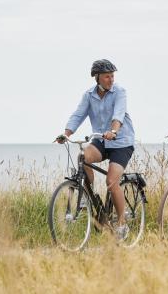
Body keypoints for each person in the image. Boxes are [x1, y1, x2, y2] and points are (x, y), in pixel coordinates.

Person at [57, 59, 136, 239]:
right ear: (97, 78)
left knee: (111, 182)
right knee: (82, 157)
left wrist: (114, 130)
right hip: (101, 139)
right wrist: (66, 134)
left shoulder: (120, 92)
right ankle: (86, 195)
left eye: (112, 76)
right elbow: (78, 115)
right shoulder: (89, 95)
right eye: (107, 76)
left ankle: (122, 224)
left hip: (121, 142)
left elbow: (119, 114)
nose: (111, 79)